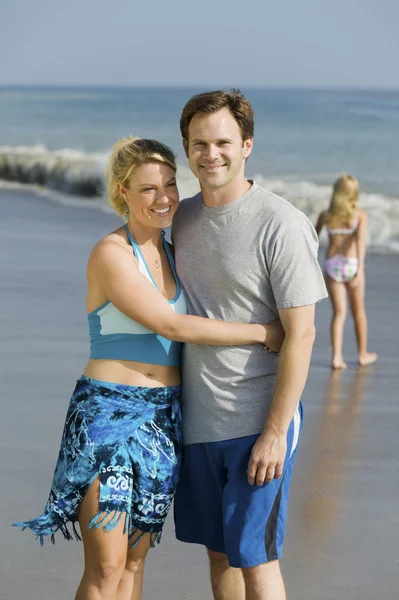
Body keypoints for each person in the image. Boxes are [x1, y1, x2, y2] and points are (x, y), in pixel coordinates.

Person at [13, 137, 285, 600]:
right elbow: (170, 323)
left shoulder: (175, 252)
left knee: (135, 562)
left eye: (169, 185)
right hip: (107, 418)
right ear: (122, 192)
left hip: (163, 418)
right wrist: (262, 333)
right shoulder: (111, 254)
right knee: (107, 567)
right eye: (147, 189)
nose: (163, 199)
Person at [172, 90, 328, 600]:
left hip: (258, 420)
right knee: (219, 554)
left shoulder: (281, 223)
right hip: (200, 421)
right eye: (199, 143)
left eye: (223, 142)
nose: (210, 154)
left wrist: (275, 432)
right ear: (187, 148)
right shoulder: (182, 219)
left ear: (247, 146)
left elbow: (302, 333)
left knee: (256, 557)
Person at [315, 174, 378, 370]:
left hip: (332, 265)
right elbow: (360, 243)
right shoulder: (359, 215)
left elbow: (312, 238)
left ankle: (337, 357)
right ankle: (362, 354)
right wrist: (360, 269)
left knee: (339, 313)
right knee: (358, 312)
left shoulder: (326, 215)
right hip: (351, 264)